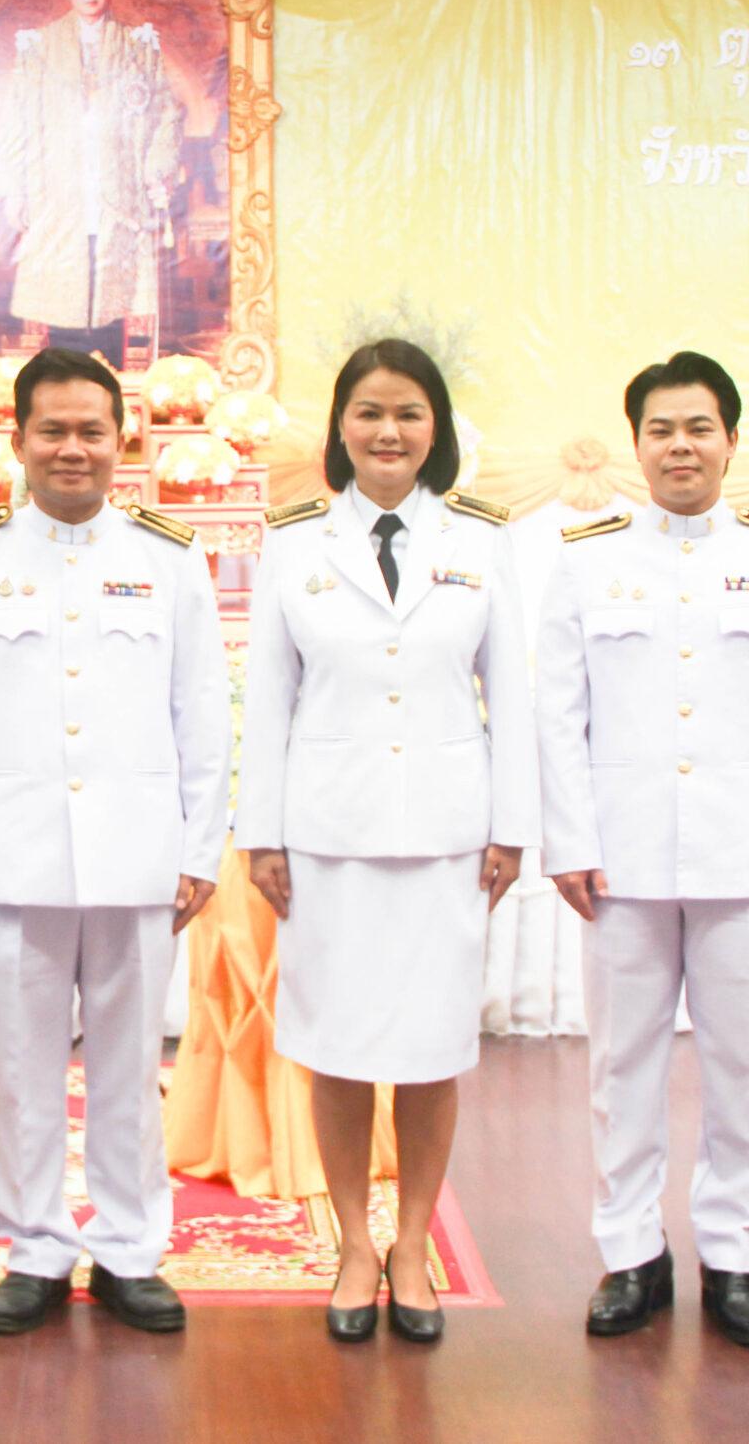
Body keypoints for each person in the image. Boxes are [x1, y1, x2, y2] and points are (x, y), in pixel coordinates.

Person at [0, 347, 231, 1335]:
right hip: (14, 860)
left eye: (91, 430)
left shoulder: (168, 557)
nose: (71, 448)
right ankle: (35, 1248)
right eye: (51, 429)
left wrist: (199, 849)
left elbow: (203, 713)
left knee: (131, 1070)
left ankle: (132, 1250)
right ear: (16, 440)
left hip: (139, 858)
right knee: (21, 1069)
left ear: (121, 440)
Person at [532, 350, 749, 1350]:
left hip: (747, 861)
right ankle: (630, 1253)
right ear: (635, 444)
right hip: (618, 863)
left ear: (731, 441)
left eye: (699, 428)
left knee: (742, 1065)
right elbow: (557, 713)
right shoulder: (585, 560)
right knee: (620, 1064)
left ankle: (735, 1257)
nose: (680, 446)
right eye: (660, 429)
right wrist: (569, 840)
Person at [235, 339, 537, 1344]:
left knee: (430, 1046)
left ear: (435, 427)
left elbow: (513, 694)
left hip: (448, 834)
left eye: (408, 412)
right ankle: (354, 1245)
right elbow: (268, 696)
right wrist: (261, 833)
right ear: (340, 426)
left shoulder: (482, 539)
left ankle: (411, 1243)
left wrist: (513, 827)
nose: (388, 431)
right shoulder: (294, 541)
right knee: (336, 1044)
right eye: (368, 411)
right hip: (329, 836)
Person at [0, 0, 184, 362]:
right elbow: (17, 120)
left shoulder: (138, 45)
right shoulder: (40, 46)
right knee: (64, 287)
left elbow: (166, 113)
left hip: (117, 187)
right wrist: (16, 189)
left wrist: (156, 169)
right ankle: (65, 373)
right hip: (59, 189)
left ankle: (109, 376)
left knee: (112, 288)